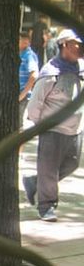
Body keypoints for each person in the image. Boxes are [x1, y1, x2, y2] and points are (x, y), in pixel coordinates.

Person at [23, 29, 84, 222]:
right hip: (53, 130)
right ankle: (47, 205)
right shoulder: (50, 73)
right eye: (76, 44)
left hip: (75, 129)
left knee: (72, 164)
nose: (80, 48)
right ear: (64, 44)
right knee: (49, 169)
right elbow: (35, 105)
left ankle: (34, 182)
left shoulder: (80, 69)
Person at [18, 30, 39, 124]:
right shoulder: (21, 53)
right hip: (19, 93)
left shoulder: (28, 55)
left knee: (16, 124)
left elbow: (34, 76)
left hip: (22, 94)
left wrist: (23, 94)